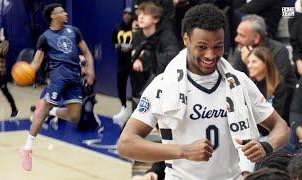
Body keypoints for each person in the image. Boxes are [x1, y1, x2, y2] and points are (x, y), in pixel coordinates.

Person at [117, 4, 289, 179]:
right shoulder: (162, 85)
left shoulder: (240, 82)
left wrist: (266, 146)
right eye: (202, 46)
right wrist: (183, 151)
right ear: (186, 40)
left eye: (218, 46)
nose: (210, 54)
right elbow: (125, 144)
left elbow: (281, 127)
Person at [20, 3, 95, 171]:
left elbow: (87, 52)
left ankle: (51, 111)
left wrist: (90, 69)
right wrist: (24, 71)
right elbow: (36, 63)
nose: (65, 13)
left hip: (75, 78)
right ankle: (27, 148)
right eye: (61, 11)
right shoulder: (45, 37)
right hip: (58, 77)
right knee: (46, 107)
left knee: (75, 116)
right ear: (53, 16)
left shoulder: (74, 31)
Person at [233, 14, 297, 124]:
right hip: (252, 112)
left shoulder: (279, 51)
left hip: (281, 110)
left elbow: (276, 85)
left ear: (257, 38)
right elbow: (236, 85)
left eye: (241, 35)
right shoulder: (241, 51)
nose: (236, 39)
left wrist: (249, 60)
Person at [246, 47, 287, 118]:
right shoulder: (248, 84)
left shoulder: (278, 84)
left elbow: (277, 114)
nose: (249, 66)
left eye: (254, 62)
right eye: (248, 62)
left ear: (266, 62)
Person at [112, 7, 133, 126]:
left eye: (130, 14)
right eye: (125, 13)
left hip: (133, 62)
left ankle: (137, 110)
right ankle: (124, 107)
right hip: (121, 62)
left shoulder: (135, 27)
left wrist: (131, 47)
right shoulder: (117, 28)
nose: (127, 16)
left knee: (136, 86)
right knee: (121, 86)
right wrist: (118, 46)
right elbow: (114, 41)